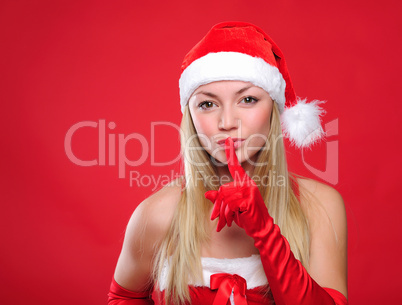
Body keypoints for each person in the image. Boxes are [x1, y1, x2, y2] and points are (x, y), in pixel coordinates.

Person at [108, 21, 348, 305]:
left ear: (274, 108)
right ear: (190, 116)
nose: (227, 123)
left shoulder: (319, 207)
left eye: (247, 99)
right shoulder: (157, 215)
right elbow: (123, 296)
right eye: (208, 104)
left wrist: (265, 232)